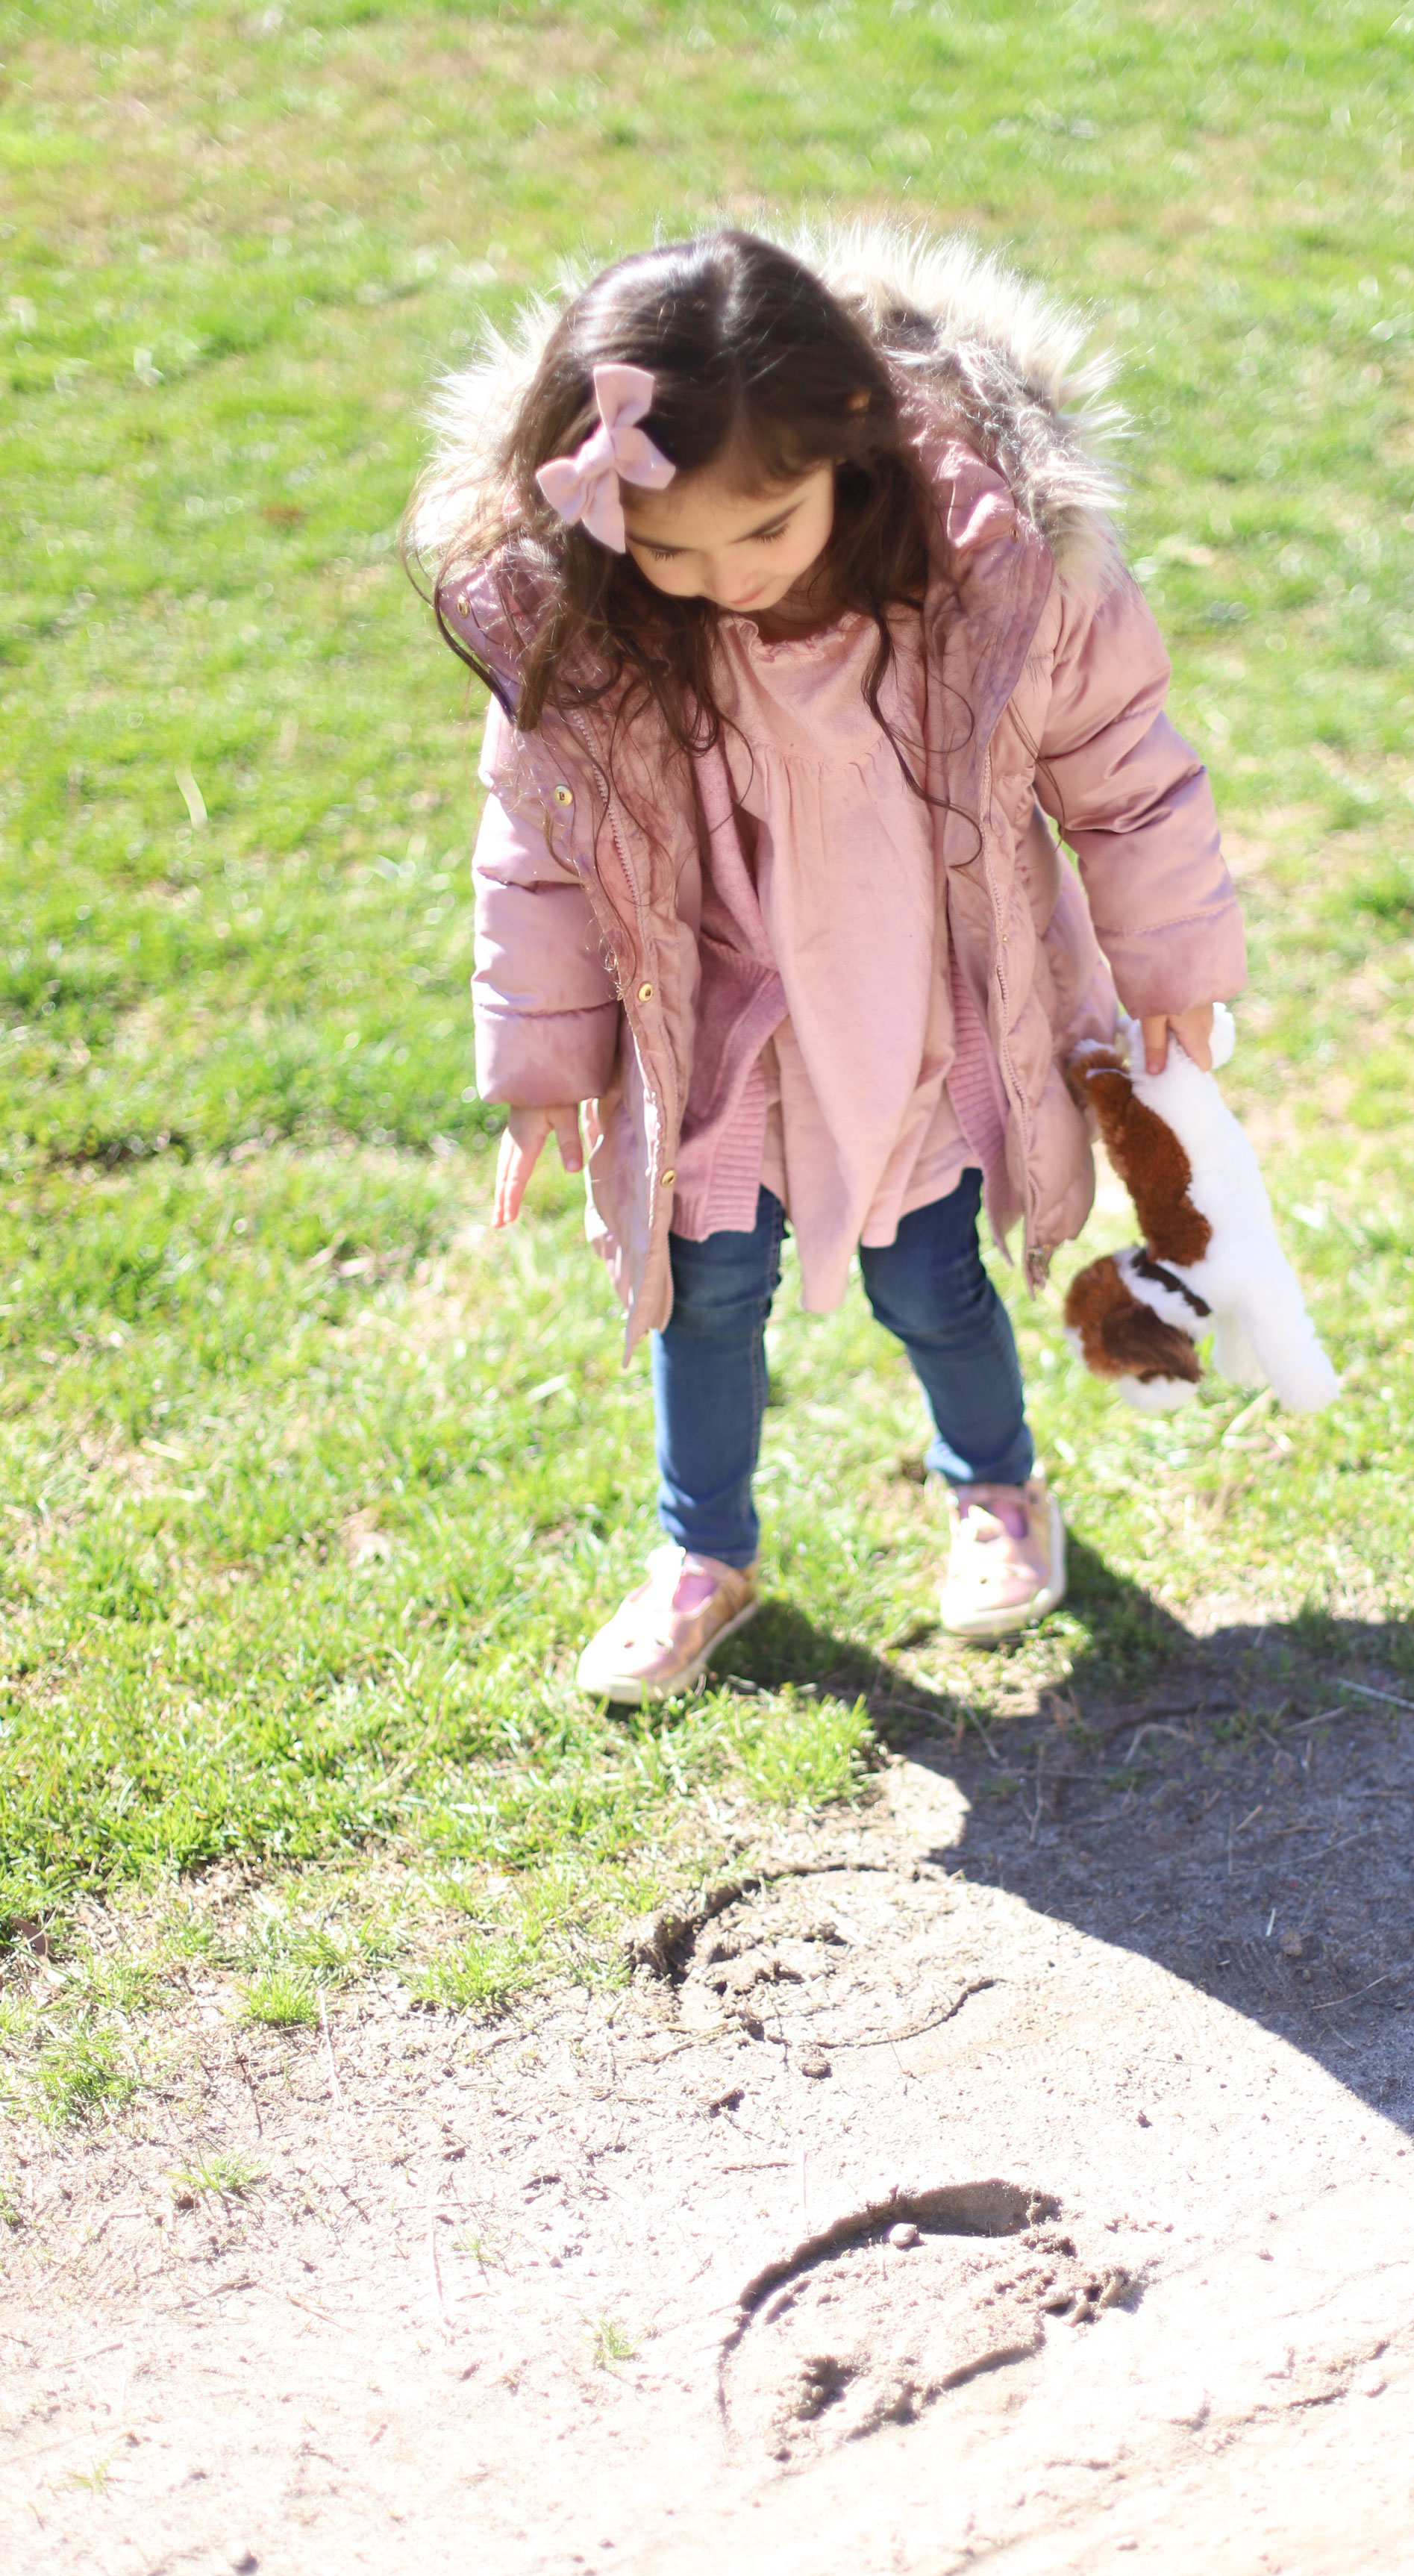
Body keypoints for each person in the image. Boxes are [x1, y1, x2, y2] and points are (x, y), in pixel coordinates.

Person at [407, 225, 1244, 1704]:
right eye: (665, 547)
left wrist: (1165, 946)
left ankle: (997, 1489)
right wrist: (540, 1053)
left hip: (913, 1023)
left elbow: (1122, 767)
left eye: (761, 531)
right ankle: (699, 1550)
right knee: (702, 1291)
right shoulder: (590, 628)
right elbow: (534, 837)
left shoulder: (987, 582)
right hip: (718, 1041)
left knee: (931, 1284)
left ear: (846, 461)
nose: (716, 578)